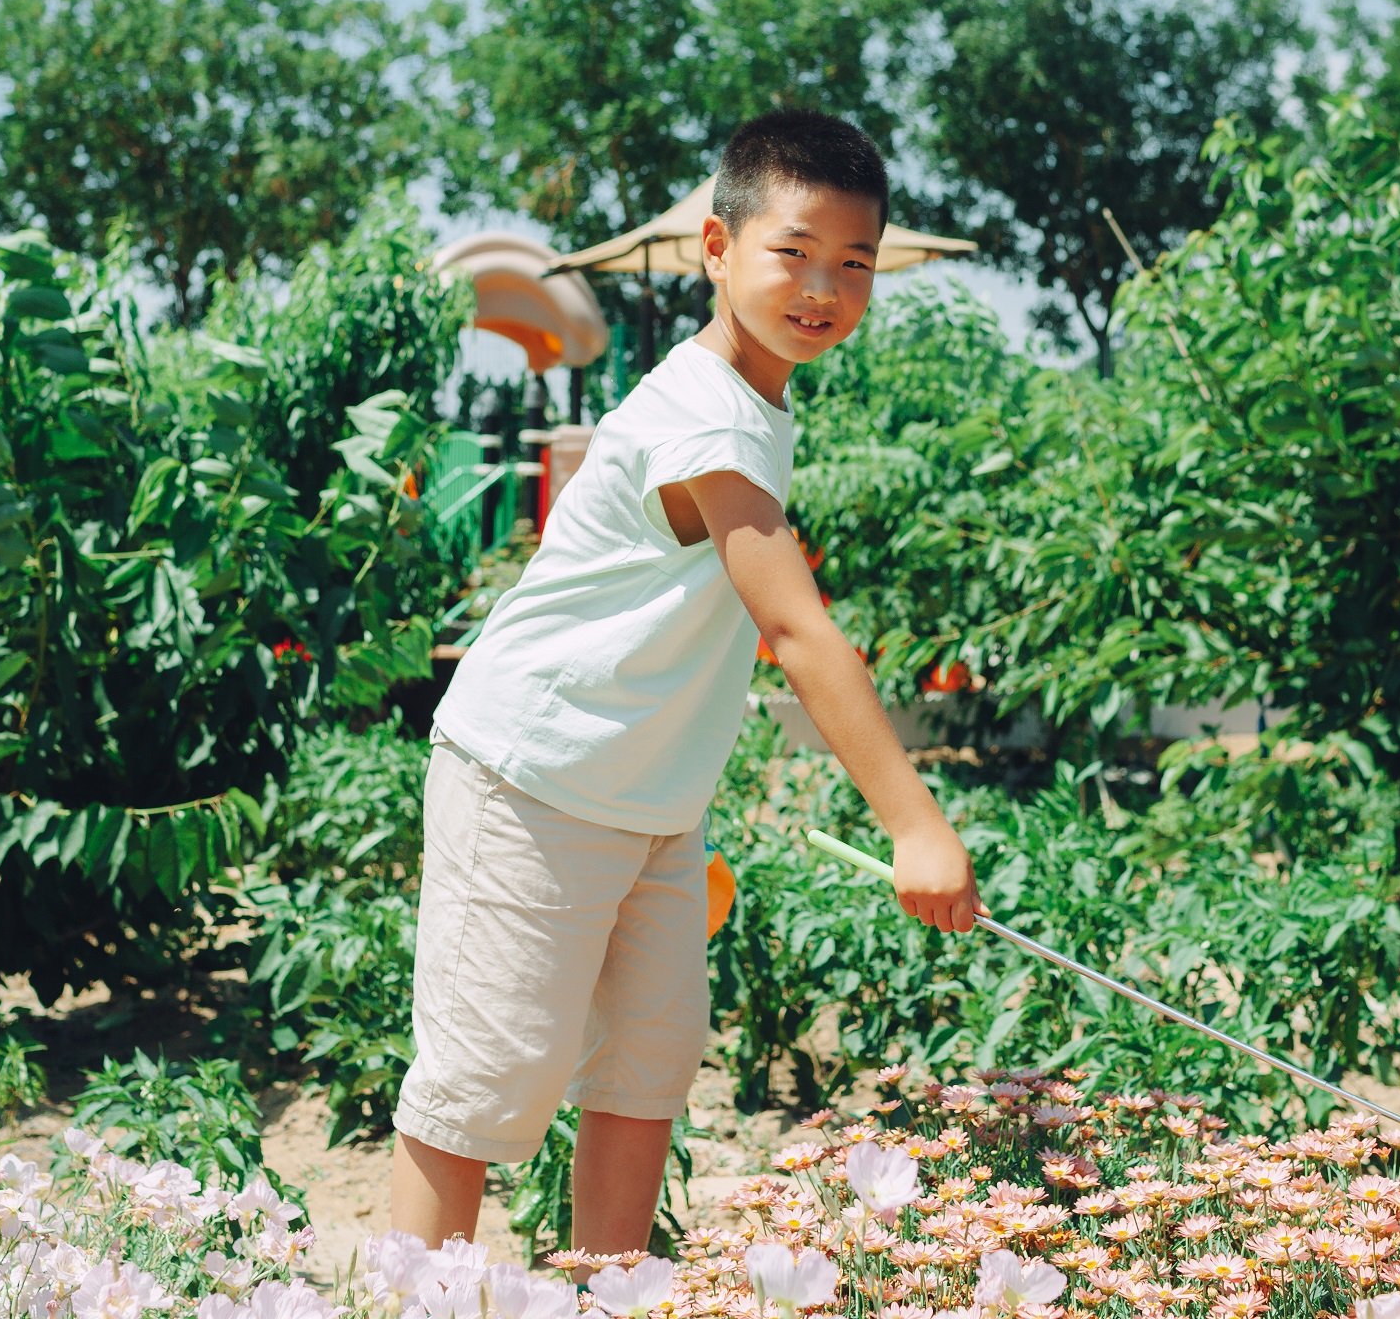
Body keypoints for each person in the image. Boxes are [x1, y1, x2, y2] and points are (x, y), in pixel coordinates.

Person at [388, 108, 981, 1253]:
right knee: (482, 1085)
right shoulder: (707, 412)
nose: (823, 287)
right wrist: (916, 824)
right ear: (717, 248)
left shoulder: (754, 397)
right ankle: (407, 1297)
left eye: (852, 265)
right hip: (533, 776)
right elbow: (796, 630)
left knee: (649, 1066)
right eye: (792, 253)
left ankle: (610, 1287)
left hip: (650, 803)